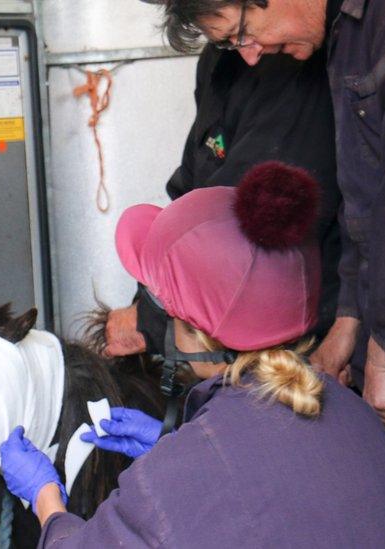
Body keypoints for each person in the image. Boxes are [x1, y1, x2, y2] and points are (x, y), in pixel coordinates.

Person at [160, 0, 385, 545]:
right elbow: (361, 202)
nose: (251, 57)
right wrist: (348, 325)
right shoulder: (342, 36)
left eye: (244, 32)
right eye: (231, 45)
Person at [0, 163, 385, 547]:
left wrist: (45, 498)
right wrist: (173, 443)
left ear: (196, 334)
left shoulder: (178, 477)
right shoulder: (355, 415)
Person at [103, 21, 340, 360]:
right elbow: (190, 183)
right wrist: (150, 298)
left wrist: (149, 322)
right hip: (215, 315)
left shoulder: (295, 64)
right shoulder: (220, 58)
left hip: (277, 330)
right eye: (225, 38)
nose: (245, 49)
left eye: (237, 30)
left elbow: (237, 246)